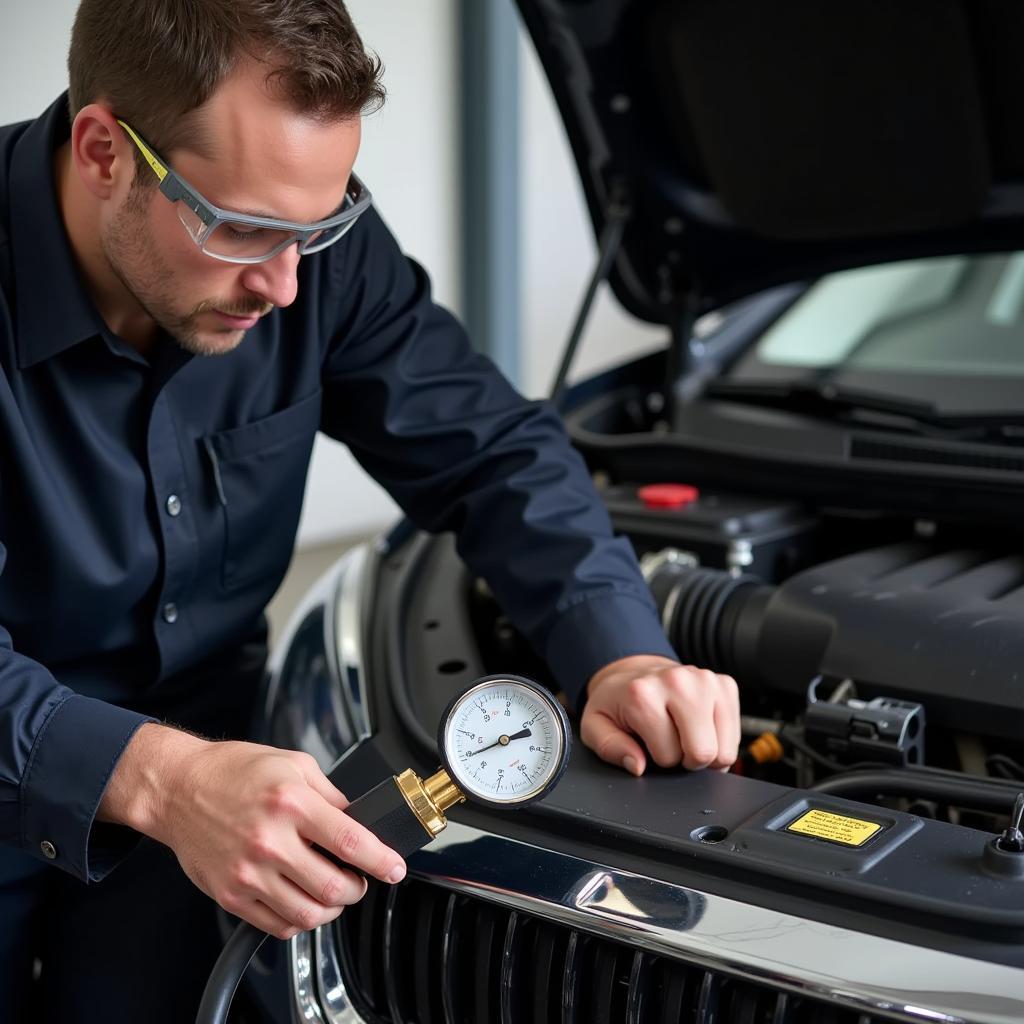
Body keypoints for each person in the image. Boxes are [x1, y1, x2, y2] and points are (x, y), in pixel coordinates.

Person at [0, 0, 740, 1018]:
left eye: (320, 224)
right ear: (102, 152)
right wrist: (159, 779)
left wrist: (618, 649)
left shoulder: (301, 245)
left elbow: (490, 448)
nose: (287, 285)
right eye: (243, 227)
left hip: (206, 787)